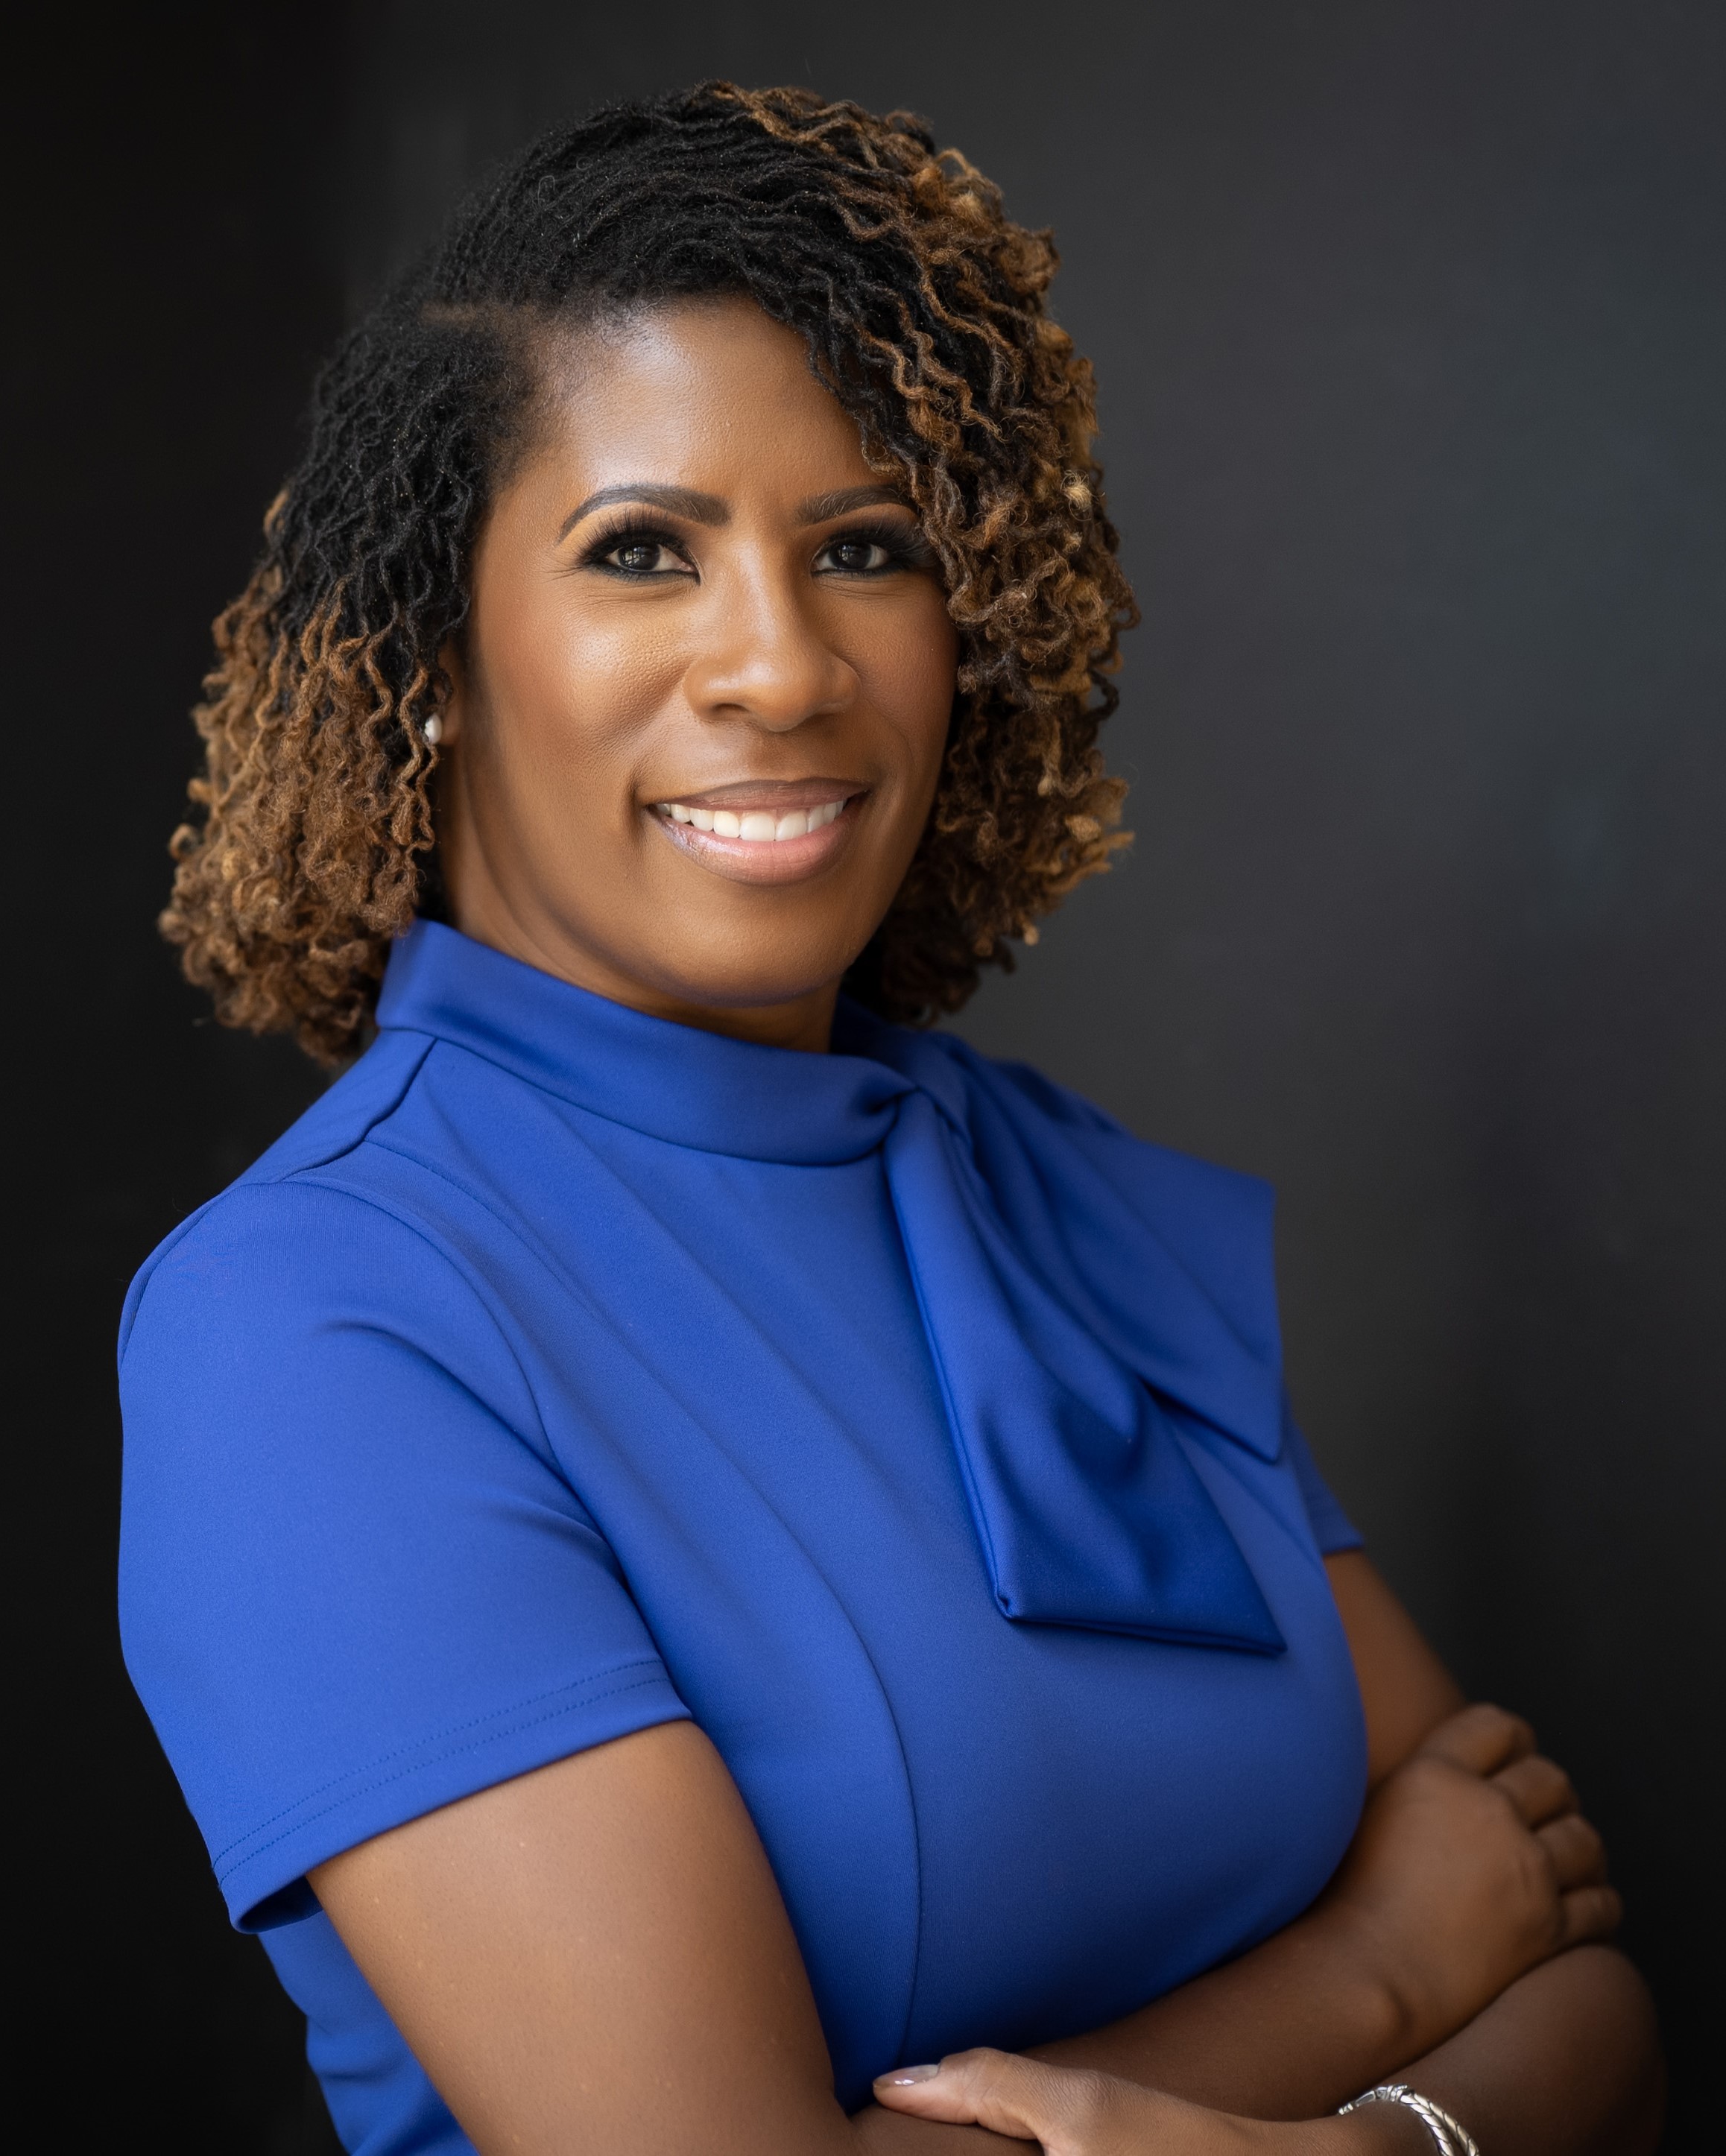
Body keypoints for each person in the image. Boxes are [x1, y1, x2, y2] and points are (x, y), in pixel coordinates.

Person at [117, 83, 1663, 2155]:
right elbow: (1462, 1939)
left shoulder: (1057, 1192)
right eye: (641, 553)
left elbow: (1584, 1988)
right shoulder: (317, 1327)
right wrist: (1378, 1981)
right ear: (431, 660)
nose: (782, 666)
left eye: (865, 549)